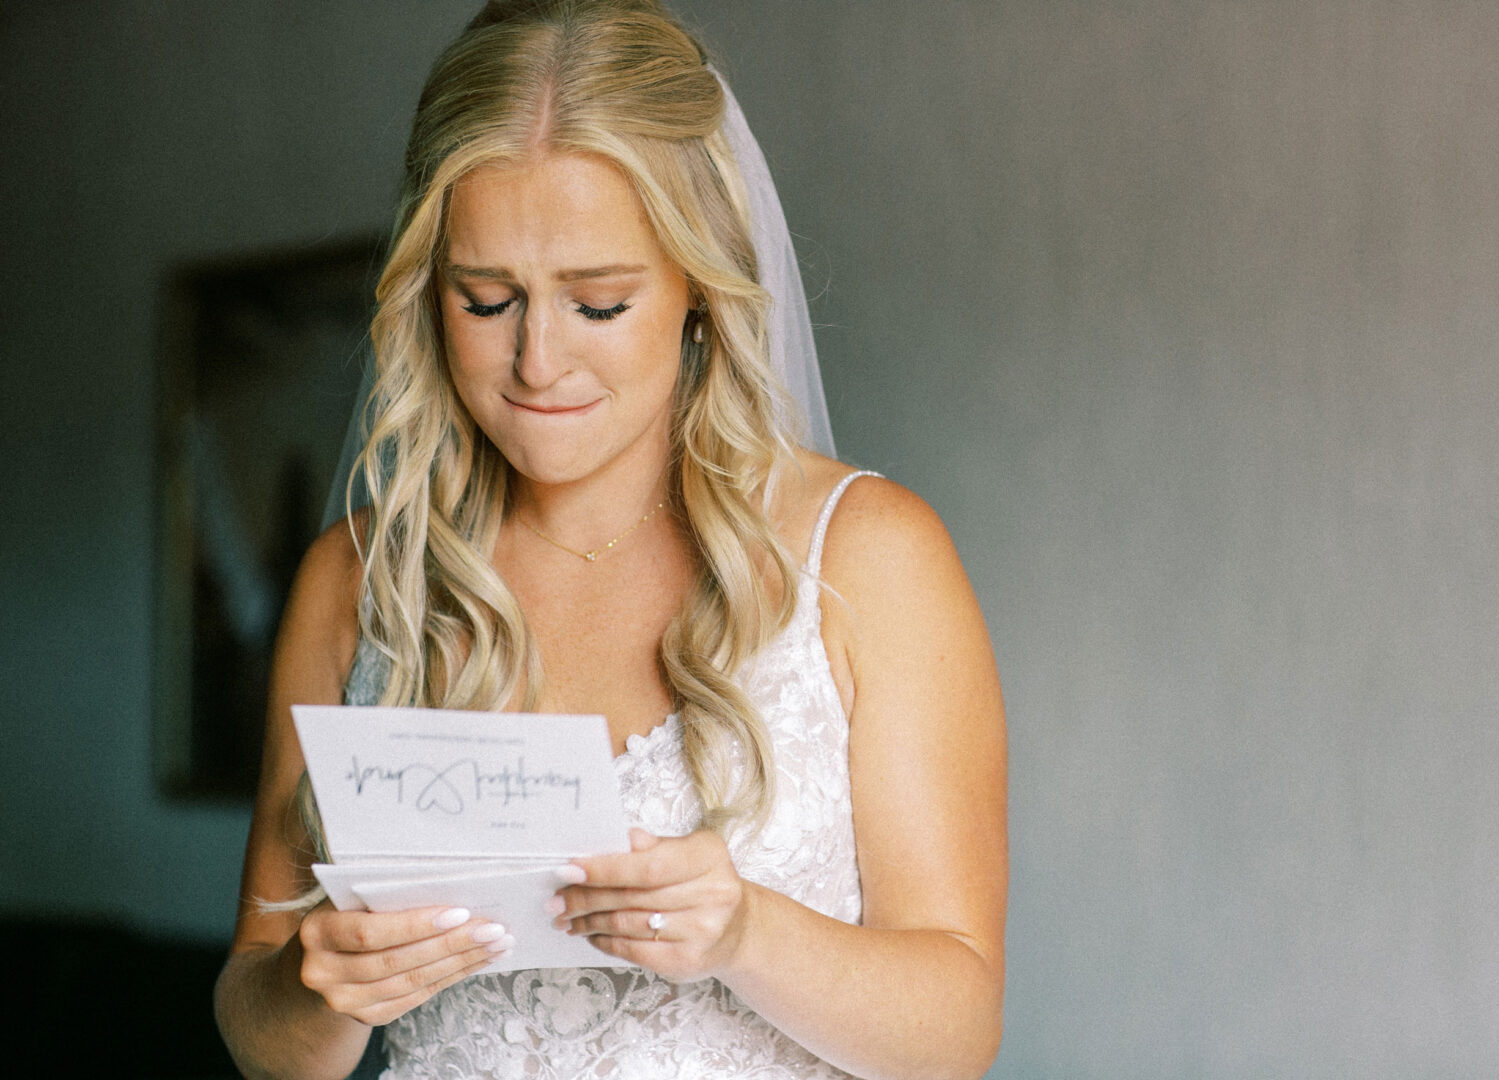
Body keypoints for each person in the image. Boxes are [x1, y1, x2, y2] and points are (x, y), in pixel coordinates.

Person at [214, 2, 1006, 1077]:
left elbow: (957, 1036)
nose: (538, 361)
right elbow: (260, 1029)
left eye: (598, 303)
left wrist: (746, 935)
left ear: (696, 287)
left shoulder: (867, 556)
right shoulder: (357, 582)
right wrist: (325, 988)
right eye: (487, 298)